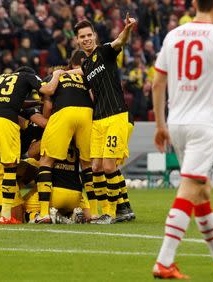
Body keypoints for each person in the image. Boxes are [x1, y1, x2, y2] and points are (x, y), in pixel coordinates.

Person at [151, 0, 213, 278]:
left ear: (194, 4)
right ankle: (164, 261)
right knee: (189, 188)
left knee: (202, 190)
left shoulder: (173, 35)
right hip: (204, 125)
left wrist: (160, 124)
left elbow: (158, 83)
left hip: (177, 123)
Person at [0, 66, 63, 225]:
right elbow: (49, 89)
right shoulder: (27, 76)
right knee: (10, 167)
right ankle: (4, 215)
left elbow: (15, 100)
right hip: (5, 121)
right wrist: (57, 74)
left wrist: (35, 102)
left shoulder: (4, 78)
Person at [74, 15, 136, 224]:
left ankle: (110, 212)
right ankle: (123, 208)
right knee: (97, 168)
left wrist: (127, 28)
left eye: (89, 35)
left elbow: (120, 41)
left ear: (95, 36)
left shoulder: (105, 52)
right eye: (82, 37)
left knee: (109, 167)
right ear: (77, 40)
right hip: (98, 120)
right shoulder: (85, 66)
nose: (86, 39)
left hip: (116, 115)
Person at [36, 50, 95, 223]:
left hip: (64, 111)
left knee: (46, 160)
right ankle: (93, 212)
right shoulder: (84, 77)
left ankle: (44, 213)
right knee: (87, 164)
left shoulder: (54, 77)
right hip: (87, 113)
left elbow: (47, 105)